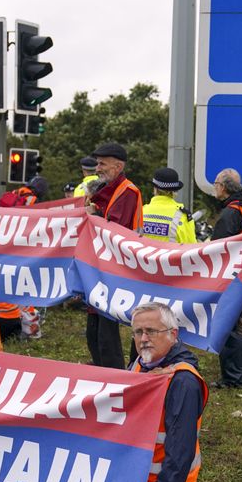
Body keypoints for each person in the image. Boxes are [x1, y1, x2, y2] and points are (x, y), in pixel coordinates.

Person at [65, 302, 218, 482]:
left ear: (173, 334)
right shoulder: (139, 366)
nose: (143, 339)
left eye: (151, 331)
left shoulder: (182, 382)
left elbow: (179, 458)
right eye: (137, 332)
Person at [84, 143, 143, 370]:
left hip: (116, 268)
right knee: (94, 328)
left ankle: (113, 373)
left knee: (106, 328)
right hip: (99, 264)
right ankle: (102, 368)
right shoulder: (103, 190)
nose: (97, 168)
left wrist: (93, 214)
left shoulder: (128, 191)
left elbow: (115, 227)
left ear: (118, 166)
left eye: (102, 163)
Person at [210, 168, 242, 389]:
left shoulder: (231, 212)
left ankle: (232, 377)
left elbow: (218, 248)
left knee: (229, 324)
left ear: (223, 187)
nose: (215, 187)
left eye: (216, 183)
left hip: (233, 274)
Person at [140, 168, 195, 243]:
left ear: (155, 189)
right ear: (174, 191)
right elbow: (191, 248)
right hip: (172, 254)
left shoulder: (141, 212)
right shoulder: (183, 216)